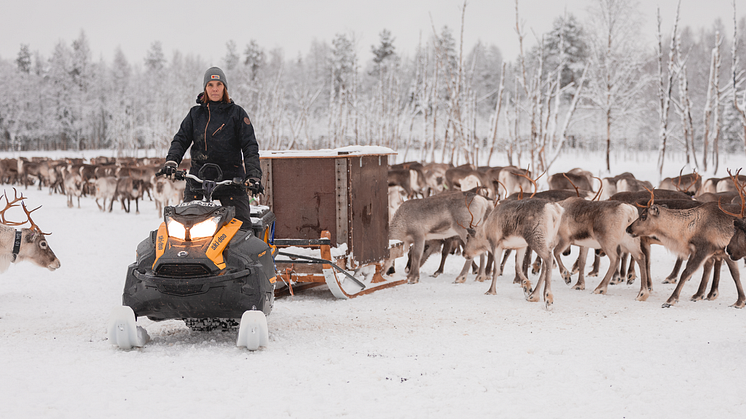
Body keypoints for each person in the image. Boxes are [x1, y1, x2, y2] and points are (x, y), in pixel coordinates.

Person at [159, 66, 263, 228]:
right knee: (185, 229)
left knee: (242, 231)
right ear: (205, 88)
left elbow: (250, 147)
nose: (215, 89)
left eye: (218, 84)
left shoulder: (237, 113)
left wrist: (253, 176)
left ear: (225, 87)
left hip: (231, 183)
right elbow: (180, 140)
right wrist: (171, 162)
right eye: (210, 85)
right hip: (198, 182)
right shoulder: (195, 114)